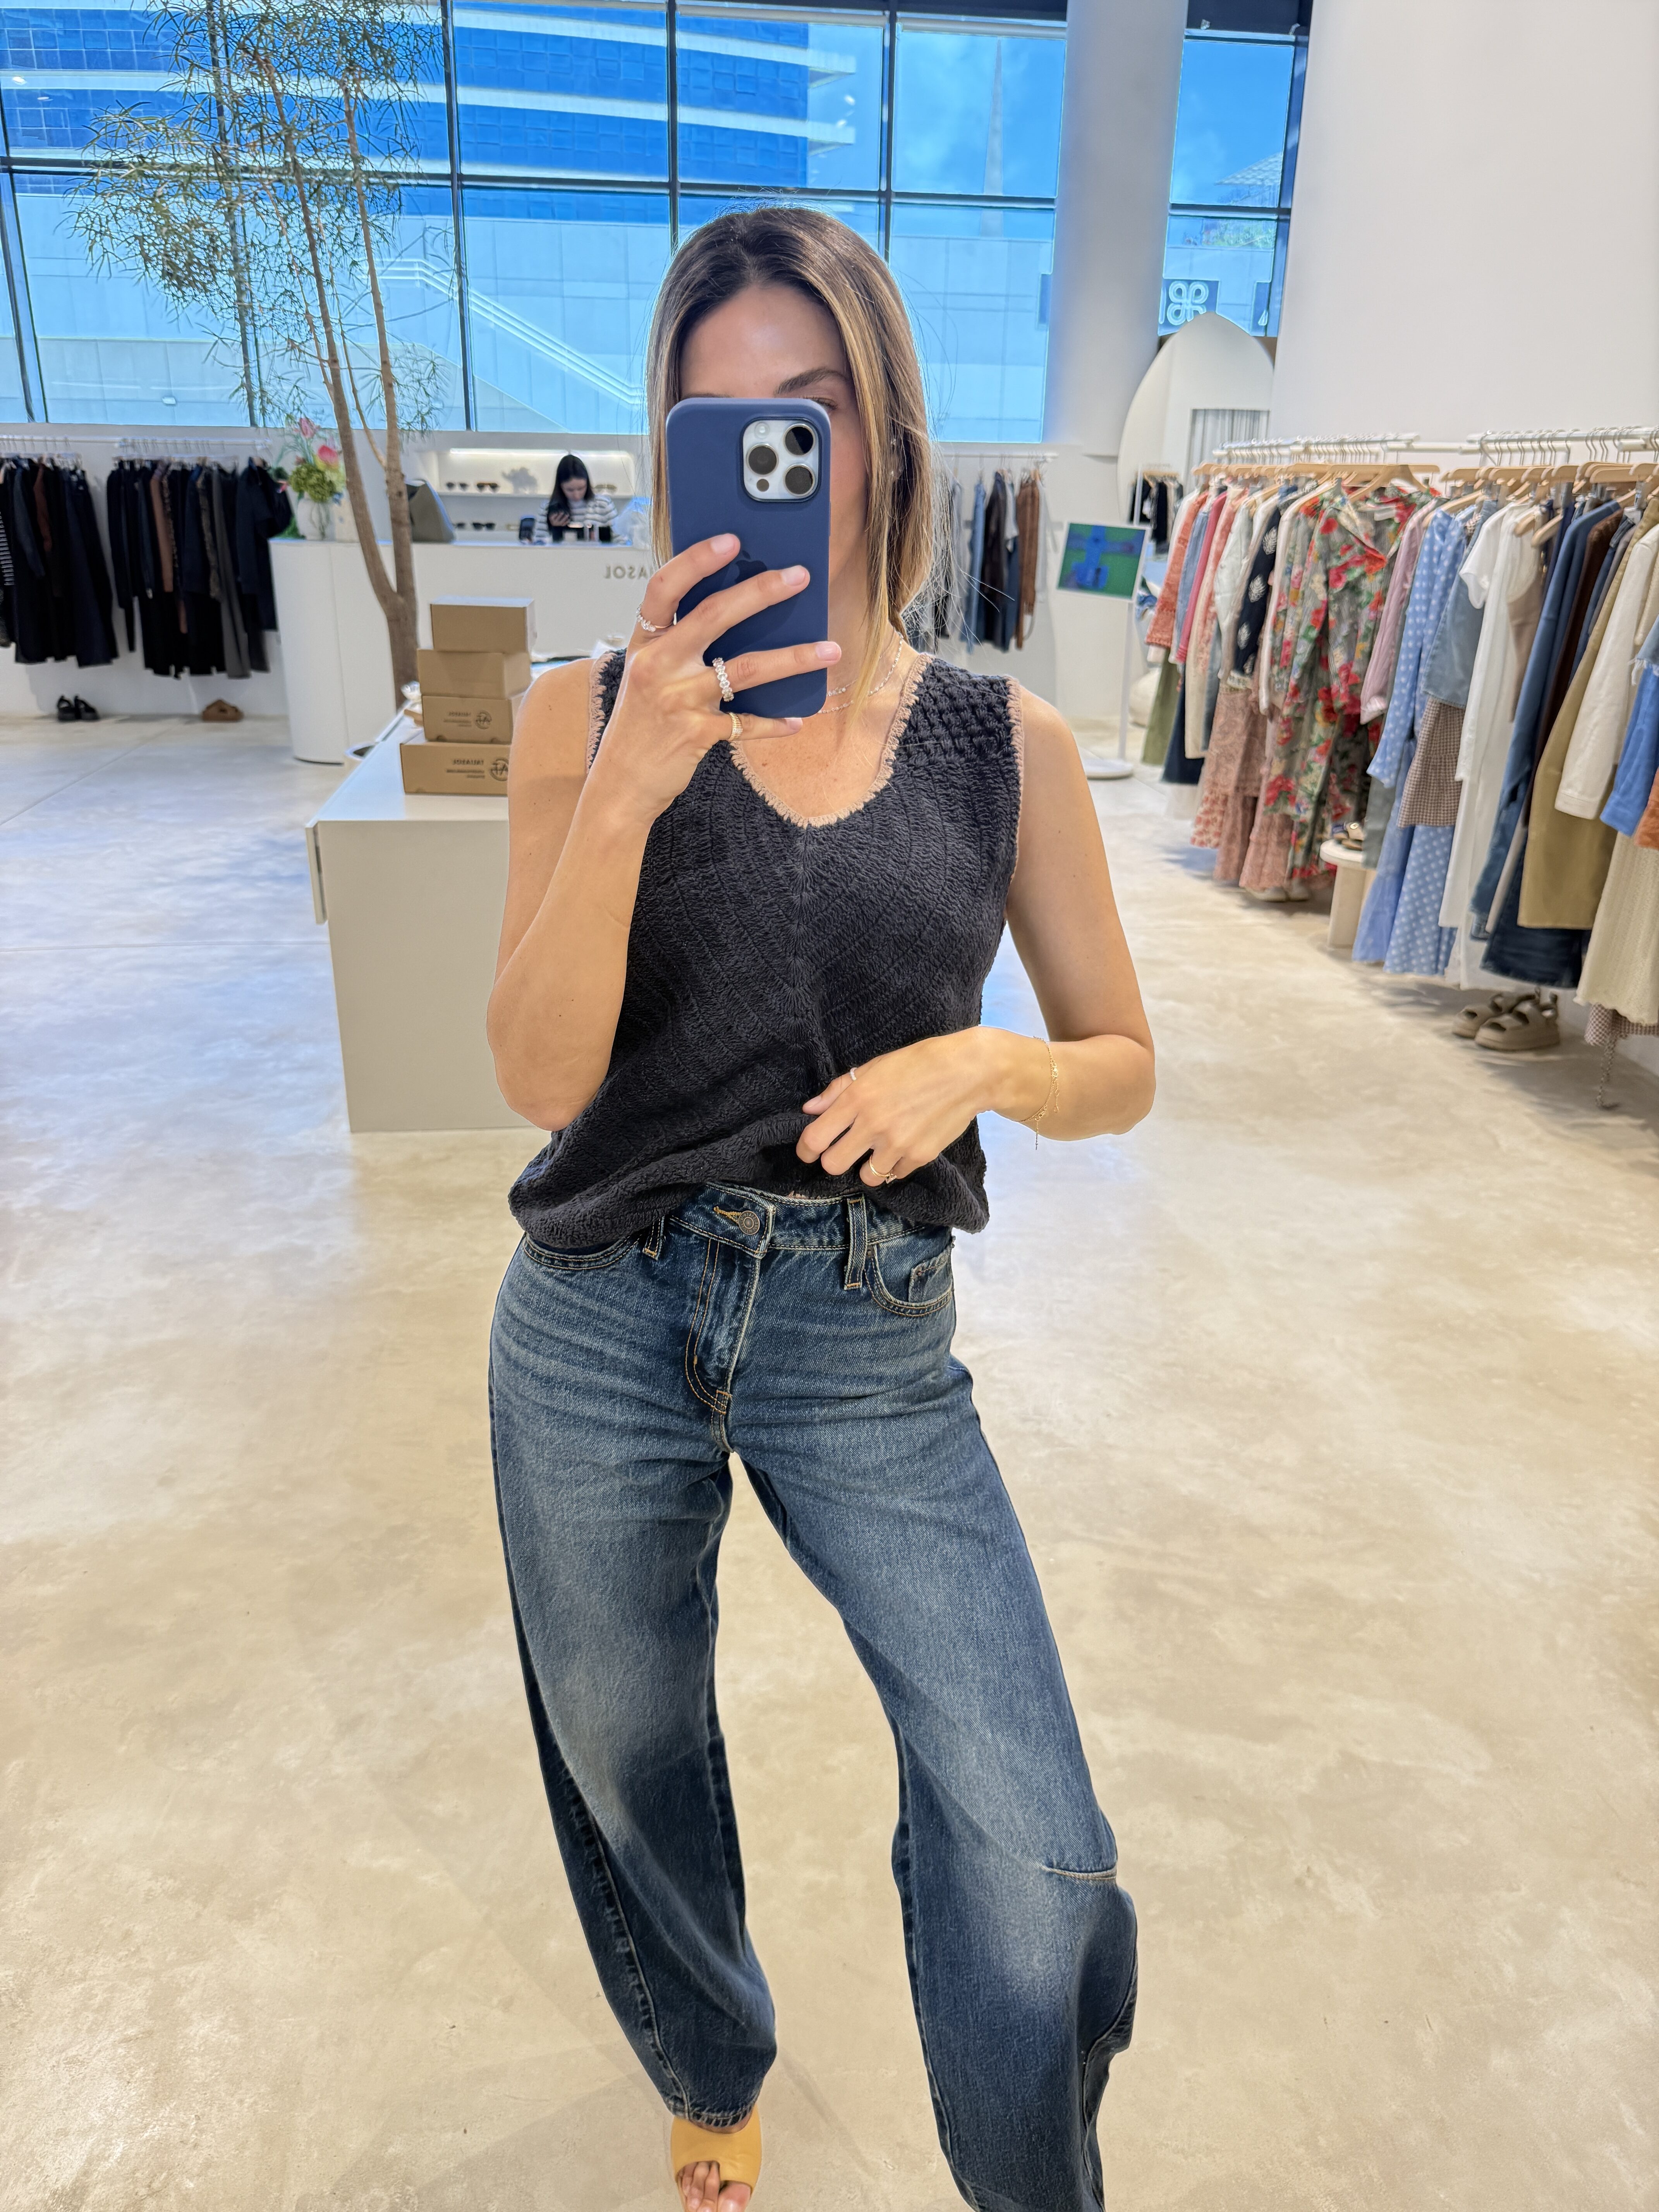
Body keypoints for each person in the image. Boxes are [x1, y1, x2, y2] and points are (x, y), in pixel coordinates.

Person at [486, 206, 1154, 2212]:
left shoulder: (1003, 745)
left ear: (883, 433)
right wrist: (628, 777)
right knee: (627, 1750)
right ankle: (708, 2066)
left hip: (864, 1328)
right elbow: (536, 1077)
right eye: (718, 422)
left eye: (809, 409)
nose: (770, 456)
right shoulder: (575, 715)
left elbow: (1119, 1060)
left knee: (1034, 1847)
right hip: (599, 1315)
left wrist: (986, 1066)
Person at [544, 452, 616, 541]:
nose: (577, 495)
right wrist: (556, 531)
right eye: (570, 490)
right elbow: (538, 544)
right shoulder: (548, 508)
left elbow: (620, 540)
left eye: (581, 488)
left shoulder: (603, 504)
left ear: (588, 484)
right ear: (560, 487)